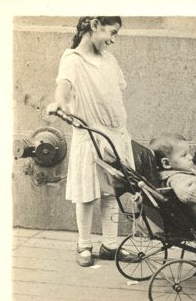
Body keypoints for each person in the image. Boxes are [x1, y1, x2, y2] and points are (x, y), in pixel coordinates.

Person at [47, 15, 137, 267]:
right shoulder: (73, 59)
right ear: (95, 25)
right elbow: (64, 86)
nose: (113, 40)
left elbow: (113, 92)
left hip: (114, 135)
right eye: (112, 32)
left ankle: (110, 245)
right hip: (90, 136)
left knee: (111, 191)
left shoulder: (109, 60)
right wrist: (61, 104)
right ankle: (84, 244)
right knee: (86, 193)